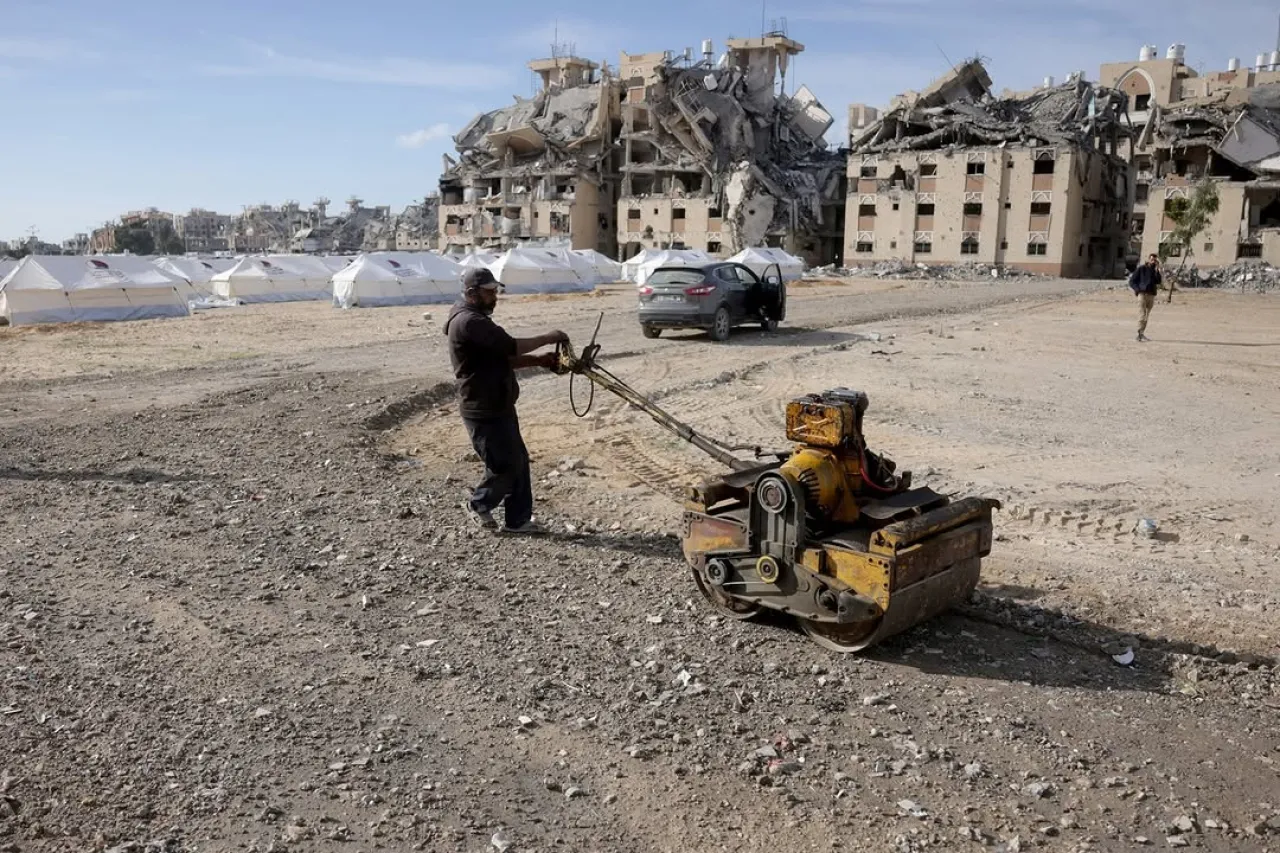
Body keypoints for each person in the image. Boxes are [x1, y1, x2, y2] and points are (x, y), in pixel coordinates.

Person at [443, 267, 568, 534]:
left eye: (496, 291)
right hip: (482, 407)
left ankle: (518, 520)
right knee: (504, 465)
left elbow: (502, 358)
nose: (495, 297)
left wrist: (541, 361)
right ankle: (479, 504)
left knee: (519, 461)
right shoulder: (469, 322)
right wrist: (550, 337)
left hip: (498, 403)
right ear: (471, 293)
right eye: (489, 292)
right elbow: (511, 346)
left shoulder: (474, 318)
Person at [1129, 253, 1162, 342]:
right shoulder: (1142, 269)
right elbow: (1132, 281)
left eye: (1155, 260)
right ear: (1148, 259)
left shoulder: (1155, 270)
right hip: (1142, 294)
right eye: (1152, 259)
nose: (1153, 261)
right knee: (1142, 314)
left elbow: (1158, 281)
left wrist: (1158, 270)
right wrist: (1137, 290)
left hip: (1151, 295)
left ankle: (1142, 333)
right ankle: (1139, 333)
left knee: (1146, 315)